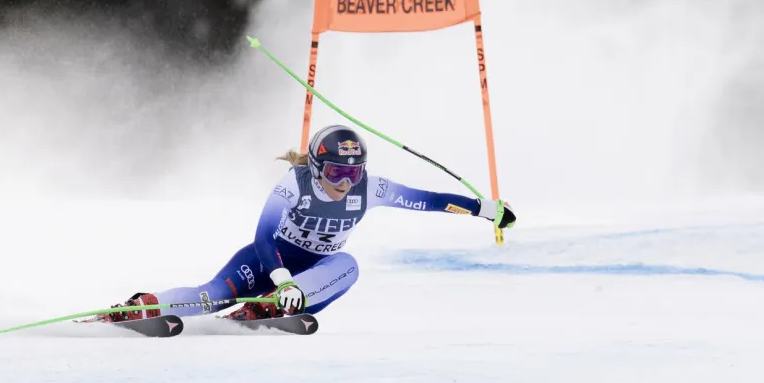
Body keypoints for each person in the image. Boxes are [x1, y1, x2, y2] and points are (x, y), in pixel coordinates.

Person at [100, 124, 516, 322]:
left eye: (353, 174)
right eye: (336, 173)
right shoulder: (293, 184)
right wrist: (281, 281)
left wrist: (486, 209)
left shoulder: (370, 188)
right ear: (317, 168)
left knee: (349, 265)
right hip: (268, 263)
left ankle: (270, 309)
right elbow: (263, 237)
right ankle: (143, 307)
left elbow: (432, 202)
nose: (344, 183)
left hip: (311, 277)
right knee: (212, 296)